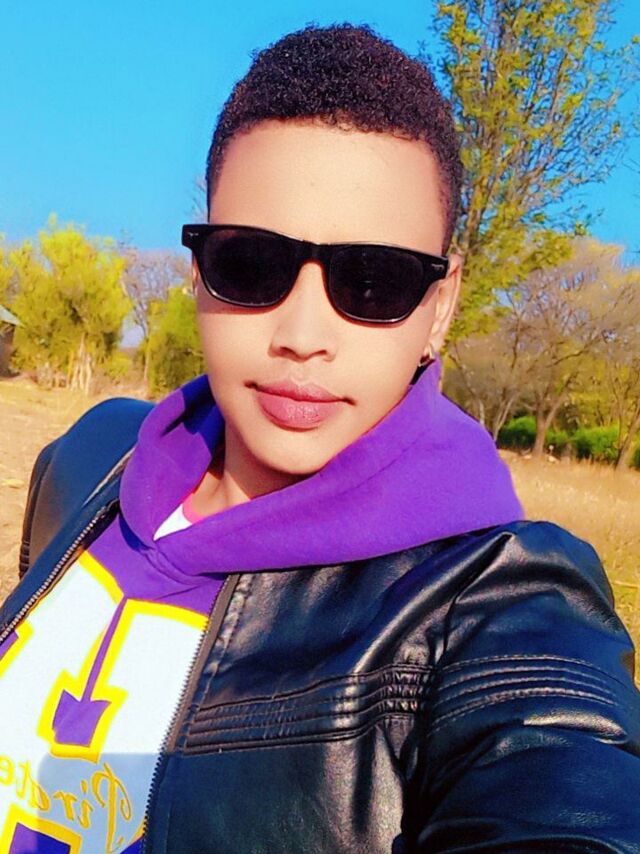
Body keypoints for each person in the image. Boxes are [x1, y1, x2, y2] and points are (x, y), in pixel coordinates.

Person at [1, 21, 639, 854]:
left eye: (374, 280)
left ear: (440, 306)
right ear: (198, 270)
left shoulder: (494, 605)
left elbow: (561, 783)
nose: (302, 336)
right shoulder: (95, 456)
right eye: (251, 263)